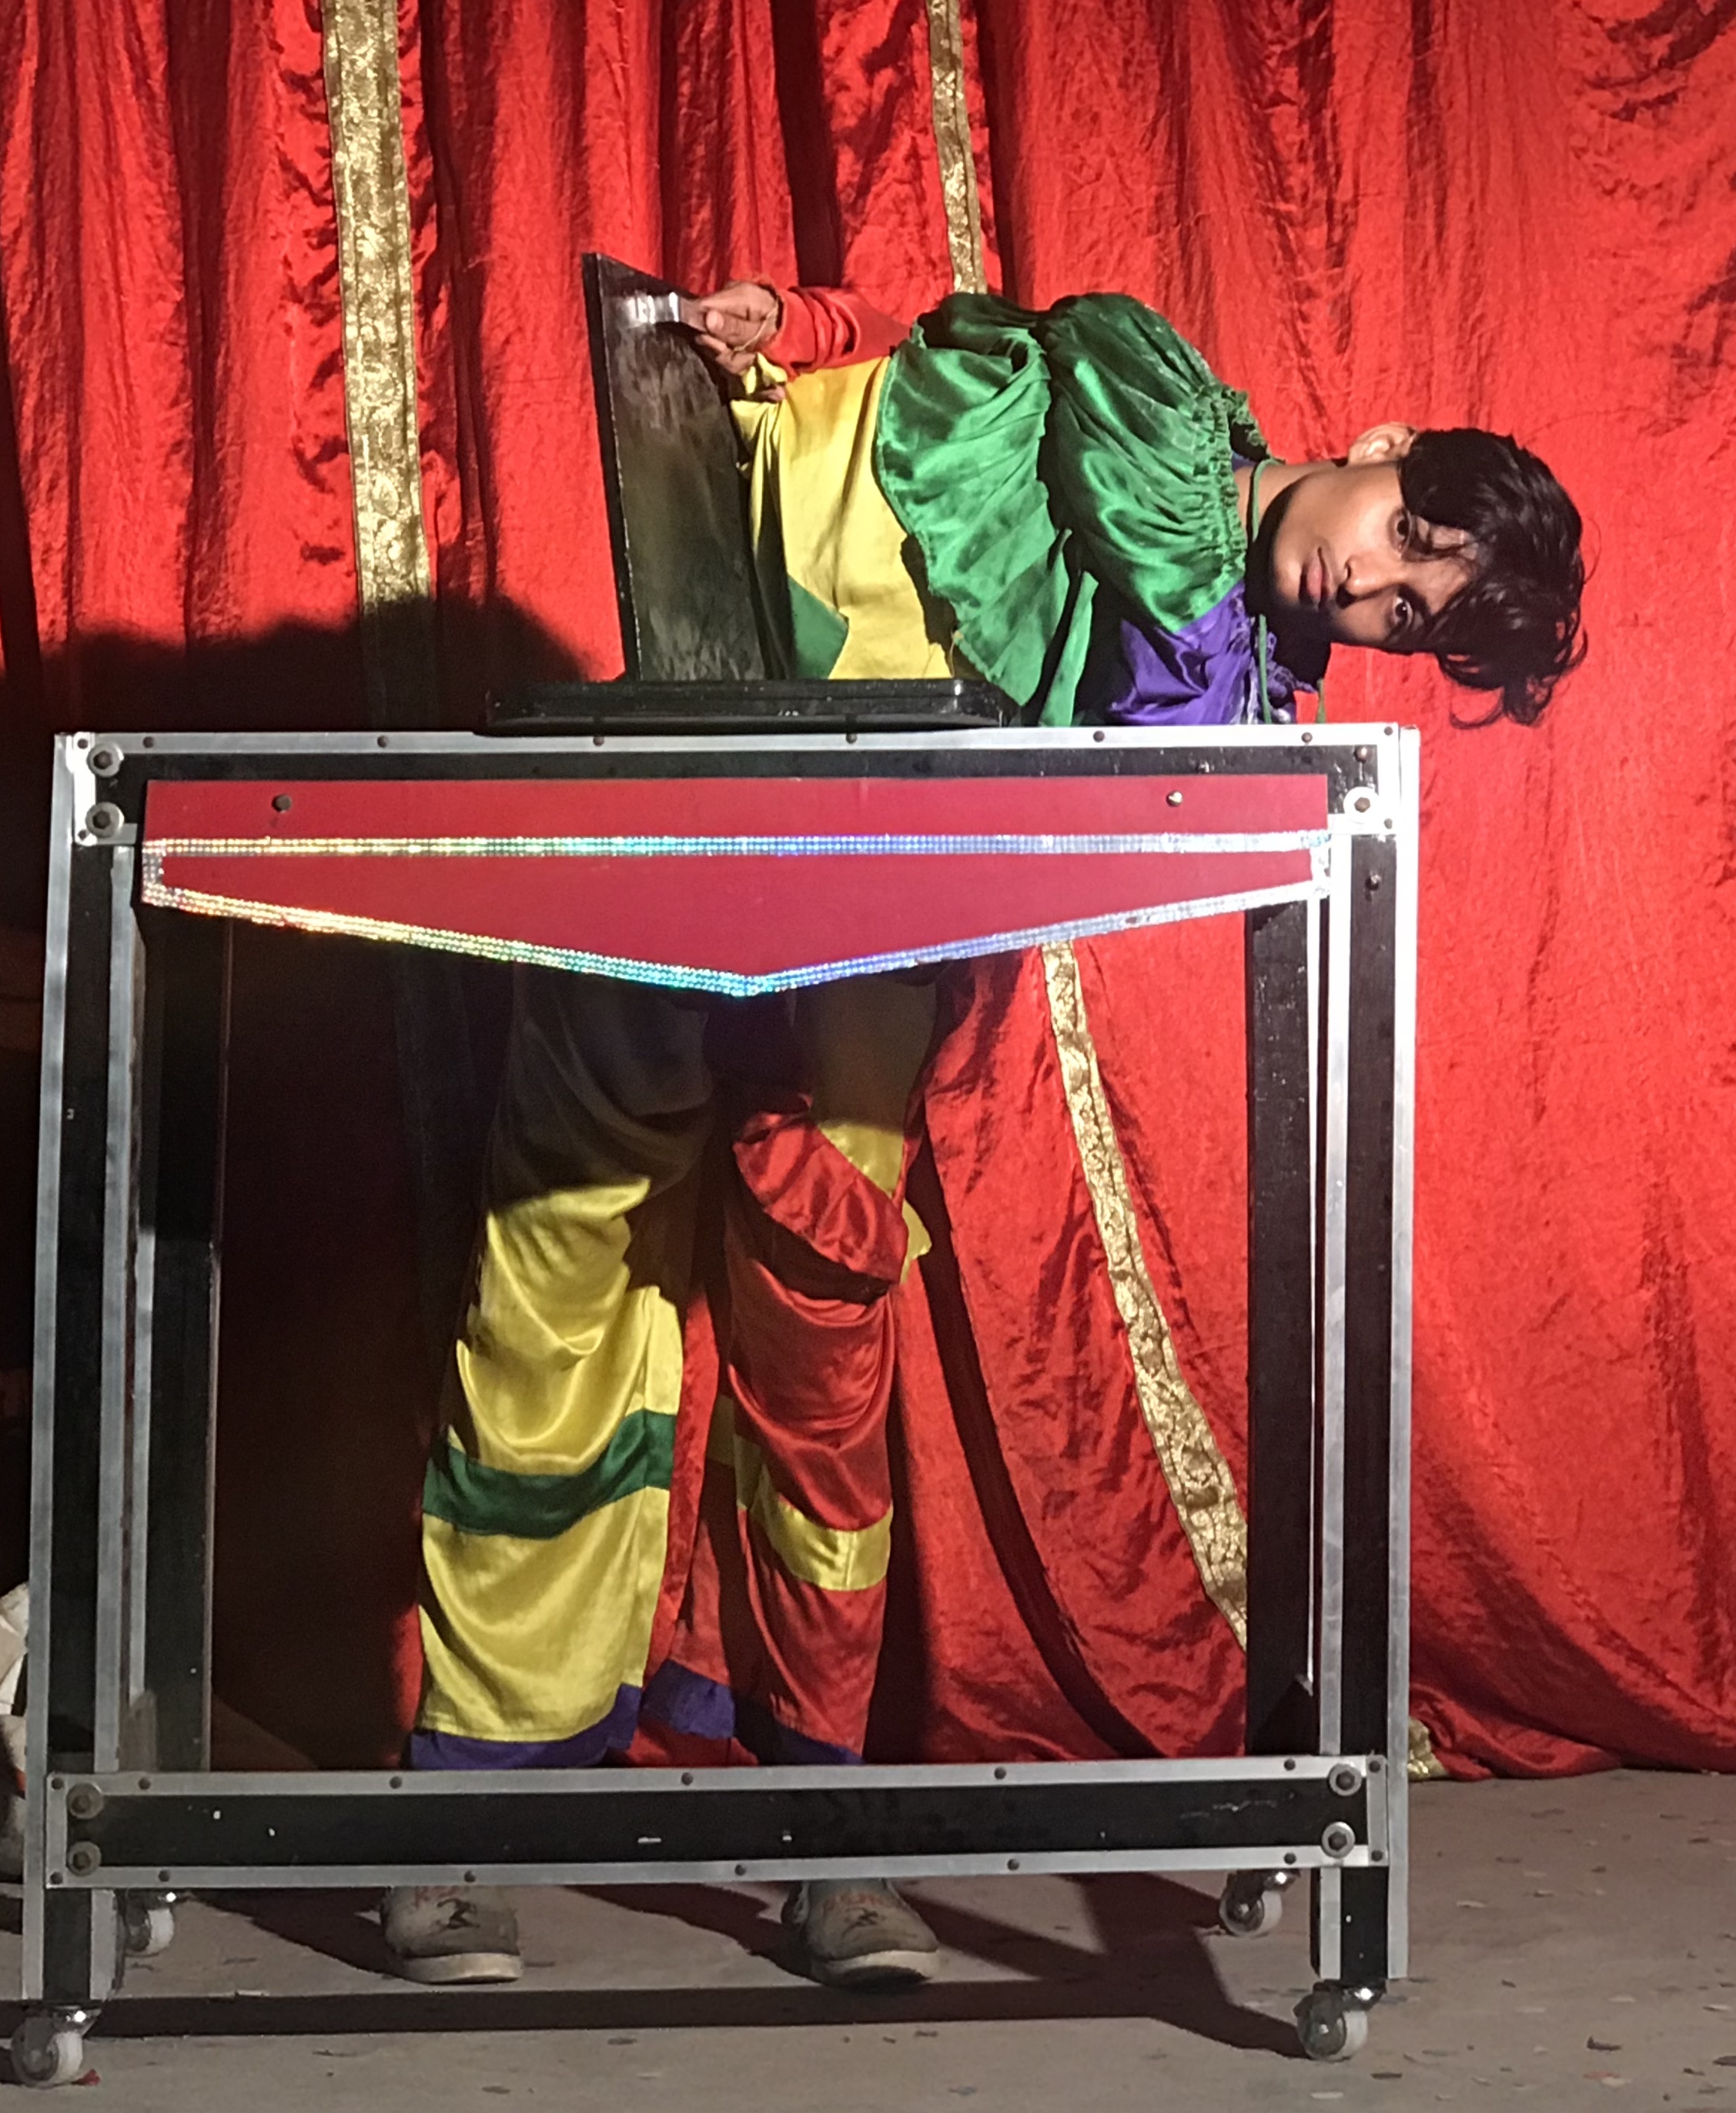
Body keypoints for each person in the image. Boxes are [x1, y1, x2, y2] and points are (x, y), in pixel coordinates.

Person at [380, 279, 1585, 1992]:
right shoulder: (1133, 380)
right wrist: (791, 320)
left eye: (1407, 611)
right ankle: (458, 1817)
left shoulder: (1229, 697)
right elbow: (933, 350)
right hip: (672, 829)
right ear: (1381, 447)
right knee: (557, 1284)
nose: (1368, 586)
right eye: (1405, 537)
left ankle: (818, 1827)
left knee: (821, 1349)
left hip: (878, 926)